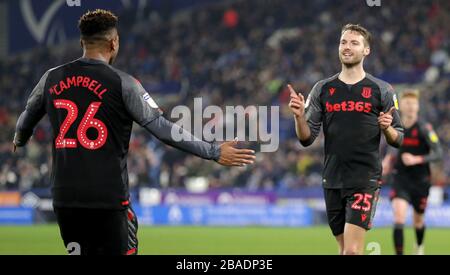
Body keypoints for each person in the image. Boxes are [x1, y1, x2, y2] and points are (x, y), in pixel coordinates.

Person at [12, 9, 255, 255]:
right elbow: (162, 129)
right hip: (107, 197)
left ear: (81, 42)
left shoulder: (51, 78)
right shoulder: (122, 82)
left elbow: (25, 120)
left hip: (65, 198)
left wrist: (20, 139)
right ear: (114, 42)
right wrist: (213, 151)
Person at [288, 24, 404, 255]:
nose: (347, 47)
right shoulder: (322, 88)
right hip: (332, 178)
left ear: (366, 50)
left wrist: (388, 128)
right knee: (344, 250)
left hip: (365, 178)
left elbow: (398, 138)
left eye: (354, 43)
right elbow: (306, 138)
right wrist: (299, 117)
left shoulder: (382, 89)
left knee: (351, 251)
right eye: (343, 42)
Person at [382, 90, 443, 255]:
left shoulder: (424, 128)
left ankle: (419, 246)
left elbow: (438, 153)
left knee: (418, 221)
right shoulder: (396, 127)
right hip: (400, 178)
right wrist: (388, 160)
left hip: (421, 180)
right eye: (407, 103)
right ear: (401, 106)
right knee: (399, 218)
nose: (410, 107)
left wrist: (417, 159)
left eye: (413, 104)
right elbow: (394, 146)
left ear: (417, 107)